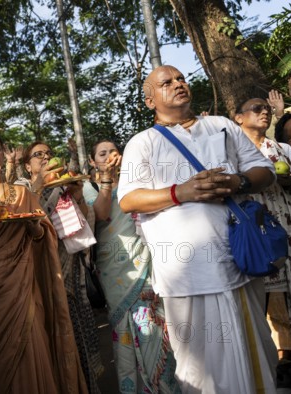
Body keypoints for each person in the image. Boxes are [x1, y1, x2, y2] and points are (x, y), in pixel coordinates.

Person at [118, 65, 278, 393]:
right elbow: (129, 199)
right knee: (200, 370)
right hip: (185, 274)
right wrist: (181, 192)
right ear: (150, 101)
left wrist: (238, 181)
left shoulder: (220, 127)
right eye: (166, 83)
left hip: (238, 261)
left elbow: (266, 172)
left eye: (180, 79)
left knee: (254, 357)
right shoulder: (142, 143)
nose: (178, 84)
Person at [0, 129, 88, 393]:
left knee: (33, 344)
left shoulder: (22, 192)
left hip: (24, 285)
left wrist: (35, 226)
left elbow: (40, 237)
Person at [84, 140, 180, 393]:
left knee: (155, 331)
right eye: (101, 154)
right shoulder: (88, 187)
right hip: (115, 272)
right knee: (126, 332)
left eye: (113, 152)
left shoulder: (134, 182)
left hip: (146, 266)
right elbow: (101, 215)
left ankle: (164, 386)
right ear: (93, 161)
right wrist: (106, 182)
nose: (108, 157)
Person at [15, 141, 103, 393]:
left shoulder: (64, 185)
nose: (45, 157)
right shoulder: (24, 189)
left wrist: (76, 196)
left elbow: (88, 224)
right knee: (59, 336)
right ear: (27, 164)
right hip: (47, 272)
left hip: (74, 268)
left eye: (48, 154)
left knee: (81, 337)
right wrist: (49, 186)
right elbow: (35, 217)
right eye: (38, 154)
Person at [234, 98, 291, 374]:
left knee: (283, 294)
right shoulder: (231, 152)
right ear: (238, 118)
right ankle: (265, 364)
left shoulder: (283, 150)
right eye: (256, 109)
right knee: (259, 299)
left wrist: (285, 179)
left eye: (266, 109)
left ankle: (285, 359)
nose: (264, 112)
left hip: (283, 231)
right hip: (250, 235)